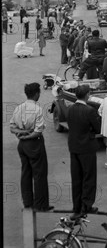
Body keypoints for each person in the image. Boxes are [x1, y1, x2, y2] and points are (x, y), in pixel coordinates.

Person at [9, 82, 53, 212]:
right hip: (34, 143)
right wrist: (28, 135)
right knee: (40, 174)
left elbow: (12, 127)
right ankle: (41, 204)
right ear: (36, 94)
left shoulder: (19, 108)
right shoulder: (37, 109)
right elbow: (38, 131)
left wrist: (22, 134)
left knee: (26, 173)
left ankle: (27, 202)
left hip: (21, 145)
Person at [67, 84, 101, 218]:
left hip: (74, 147)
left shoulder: (70, 109)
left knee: (76, 178)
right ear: (87, 95)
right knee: (89, 177)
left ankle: (76, 207)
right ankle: (86, 205)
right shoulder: (90, 110)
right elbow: (97, 129)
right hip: (87, 147)